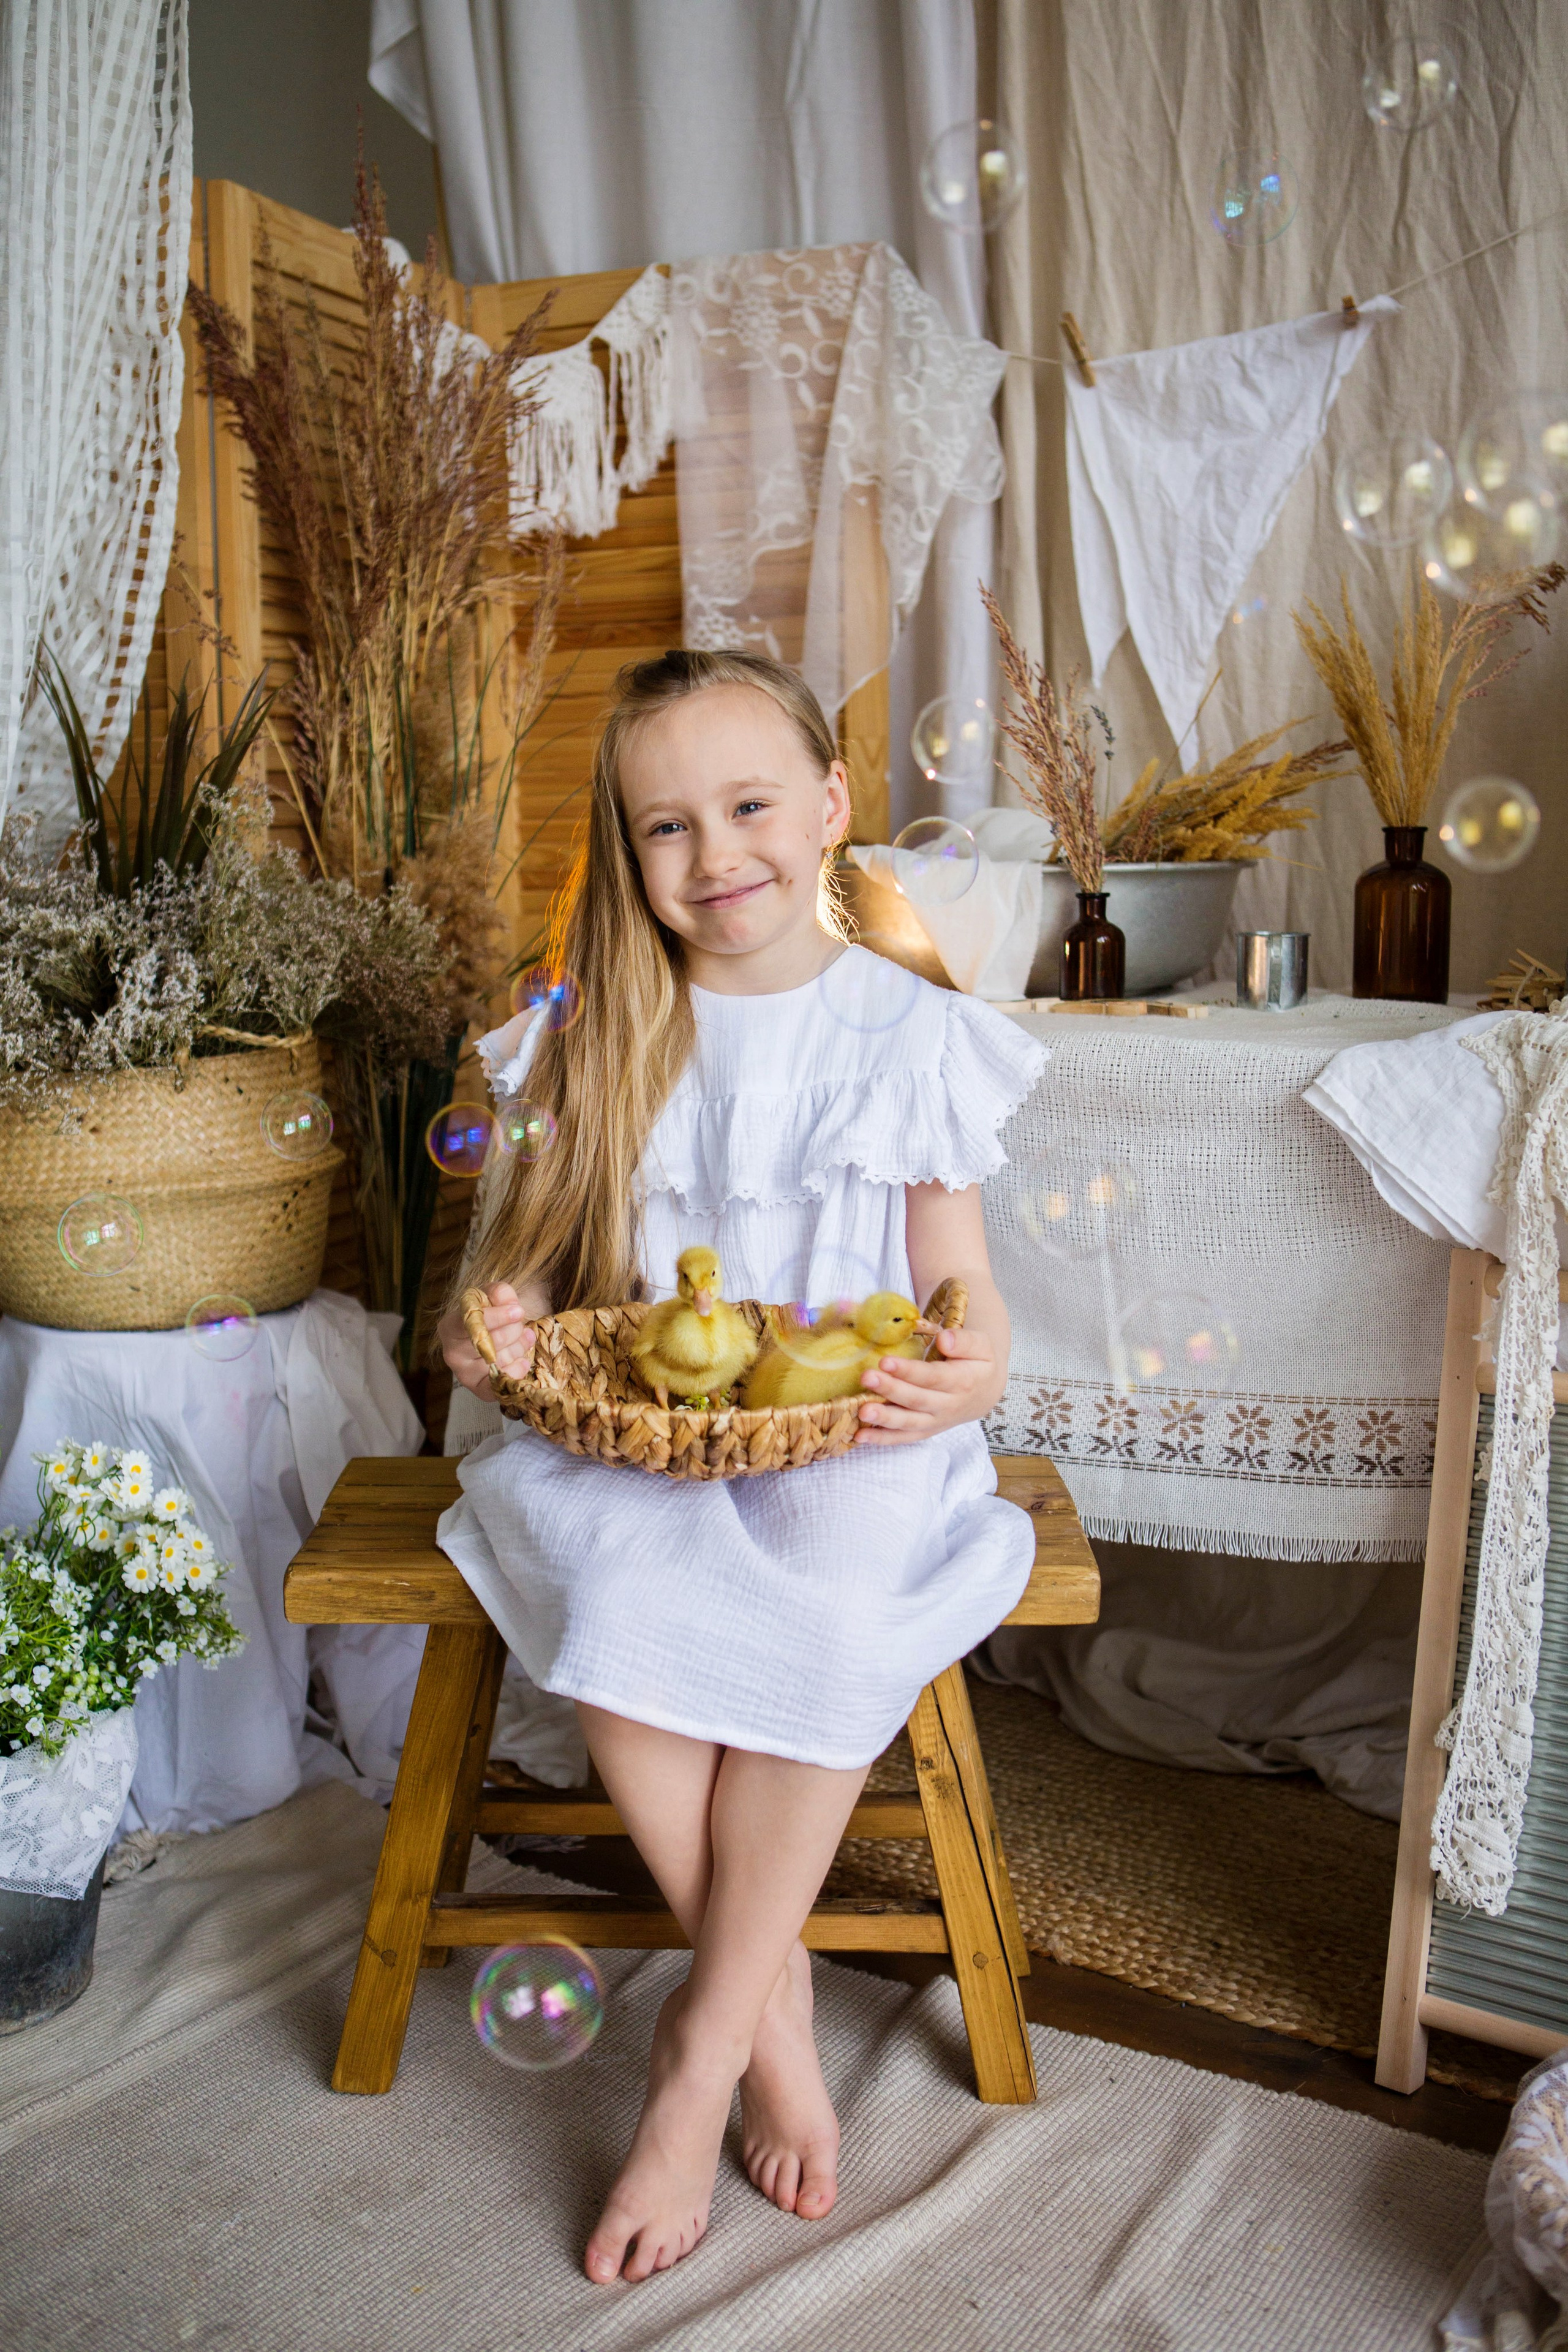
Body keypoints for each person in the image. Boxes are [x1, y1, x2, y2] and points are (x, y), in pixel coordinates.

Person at [437, 649, 1046, 2285]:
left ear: (835, 807)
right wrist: (491, 1329)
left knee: (847, 1613)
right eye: (666, 826)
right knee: (616, 1578)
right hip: (643, 1425)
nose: (718, 857)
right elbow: (517, 1308)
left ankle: (695, 2051)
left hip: (849, 1426)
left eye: (753, 804)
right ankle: (764, 2007)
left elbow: (956, 1276)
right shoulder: (588, 1040)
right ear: (626, 853)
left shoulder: (909, 1032)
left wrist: (971, 1352)